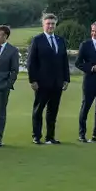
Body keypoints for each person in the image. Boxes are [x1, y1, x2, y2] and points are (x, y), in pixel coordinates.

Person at [27, 13, 70, 145]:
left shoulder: (60, 40)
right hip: (41, 82)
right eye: (48, 23)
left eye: (53, 23)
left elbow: (64, 61)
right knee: (38, 110)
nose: (50, 26)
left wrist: (66, 79)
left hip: (57, 82)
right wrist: (32, 80)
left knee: (53, 110)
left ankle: (50, 137)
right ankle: (37, 136)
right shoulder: (37, 40)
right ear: (43, 25)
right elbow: (31, 62)